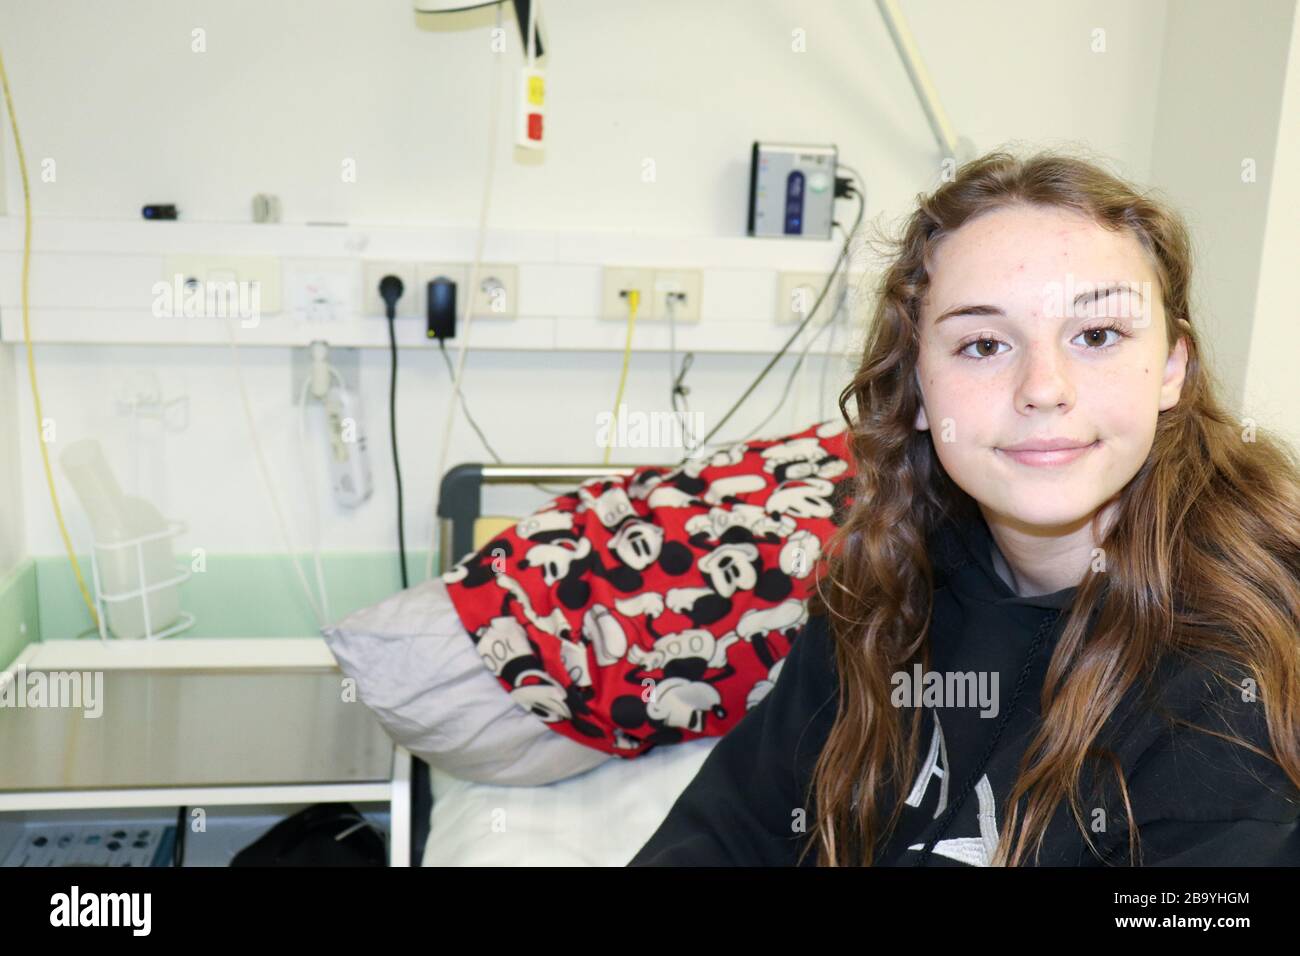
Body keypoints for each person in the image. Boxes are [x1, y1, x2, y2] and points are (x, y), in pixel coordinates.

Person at [629, 148, 1300, 867]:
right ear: (916, 388)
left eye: (1097, 336)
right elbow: (727, 834)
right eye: (982, 344)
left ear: (1173, 369)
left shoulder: (1241, 675)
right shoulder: (887, 592)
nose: (1043, 388)